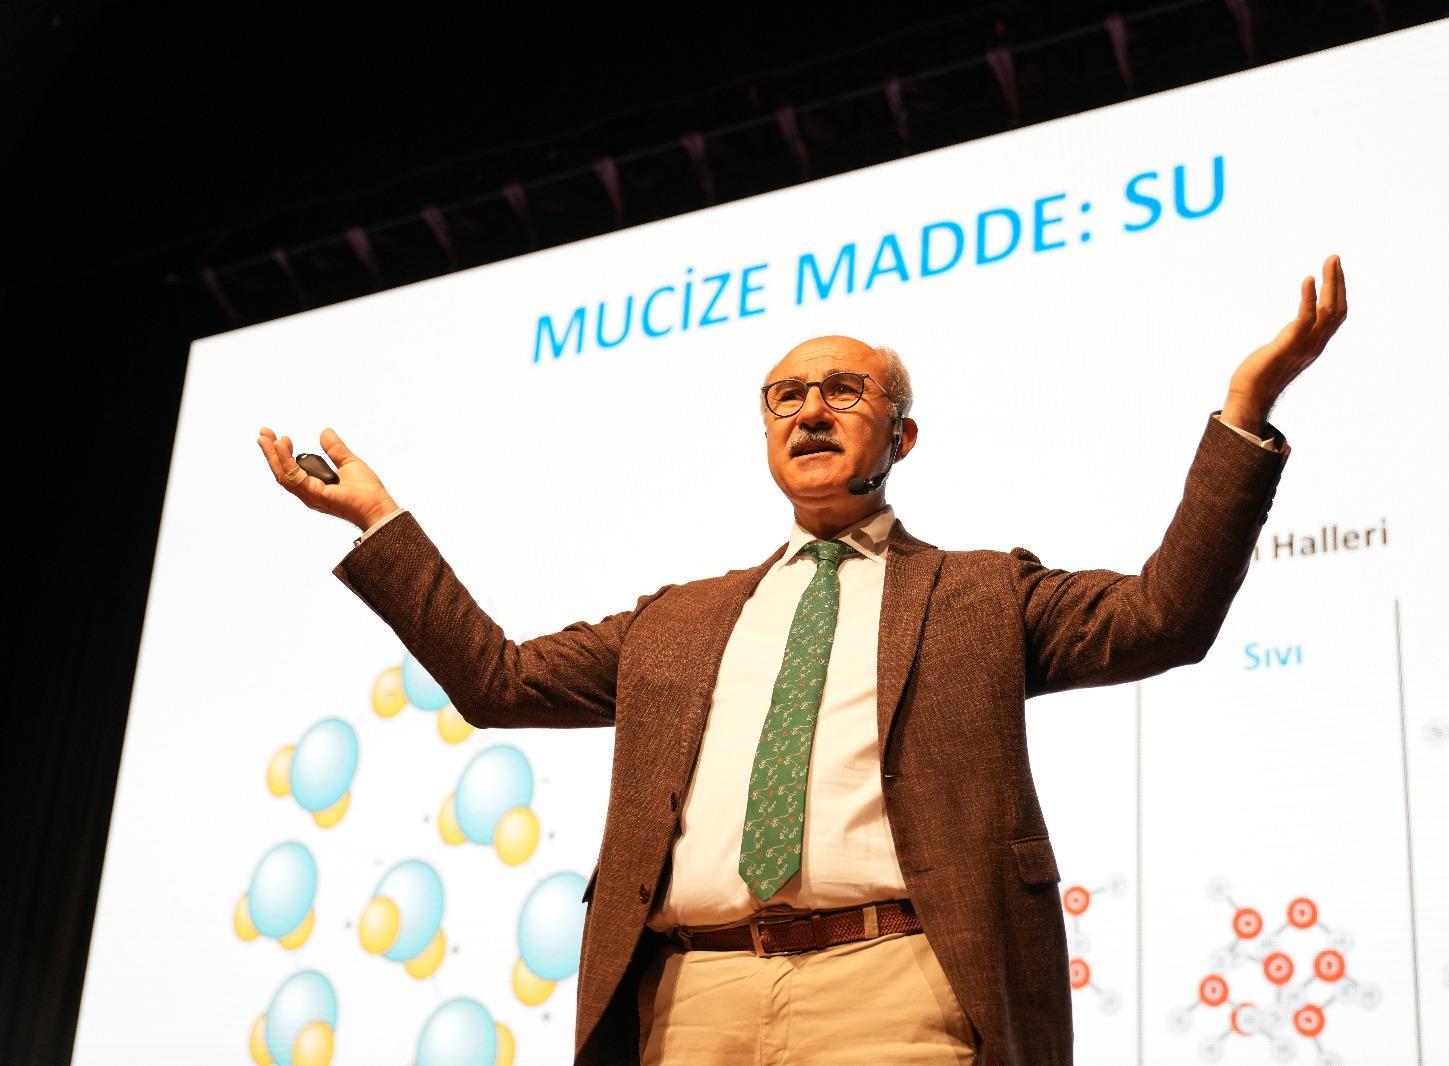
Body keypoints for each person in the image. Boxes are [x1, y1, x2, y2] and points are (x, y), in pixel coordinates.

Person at [257, 254, 1346, 1064]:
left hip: (898, 988)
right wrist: (379, 521)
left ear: (900, 437)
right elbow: (496, 681)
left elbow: (1163, 616)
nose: (811, 410)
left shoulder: (978, 592)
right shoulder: (678, 619)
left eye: (843, 391)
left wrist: (1246, 413)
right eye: (786, 395)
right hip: (690, 999)